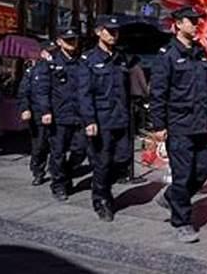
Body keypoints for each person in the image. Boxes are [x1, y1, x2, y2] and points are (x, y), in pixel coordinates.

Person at [151, 6, 207, 243]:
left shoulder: (199, 52)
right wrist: (159, 125)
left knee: (203, 170)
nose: (195, 24)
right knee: (182, 174)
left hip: (200, 123)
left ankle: (171, 197)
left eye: (196, 21)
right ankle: (182, 221)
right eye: (191, 21)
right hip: (178, 124)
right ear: (178, 24)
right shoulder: (166, 55)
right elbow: (158, 93)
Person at [78, 15, 130, 222]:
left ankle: (103, 187)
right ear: (99, 32)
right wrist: (89, 120)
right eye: (109, 31)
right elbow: (84, 93)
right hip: (101, 119)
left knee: (122, 159)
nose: (113, 35)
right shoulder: (88, 60)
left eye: (116, 31)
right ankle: (101, 198)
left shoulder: (121, 58)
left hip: (121, 118)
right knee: (102, 161)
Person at [37, 28, 87, 201]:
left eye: (74, 40)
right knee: (58, 153)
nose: (72, 43)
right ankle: (58, 184)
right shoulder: (51, 62)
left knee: (80, 150)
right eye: (68, 40)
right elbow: (42, 89)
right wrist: (45, 111)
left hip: (79, 115)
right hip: (59, 115)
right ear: (59, 42)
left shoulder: (82, 62)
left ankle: (65, 173)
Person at [18, 40, 56, 186]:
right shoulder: (33, 71)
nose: (51, 55)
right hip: (38, 113)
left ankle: (56, 171)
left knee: (57, 146)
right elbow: (23, 92)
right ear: (43, 53)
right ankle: (38, 171)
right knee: (39, 145)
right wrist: (25, 108)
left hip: (57, 112)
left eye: (54, 52)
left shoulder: (58, 69)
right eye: (49, 52)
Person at [129, 55, 149, 134]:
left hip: (131, 93)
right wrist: (147, 93)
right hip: (139, 93)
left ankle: (135, 129)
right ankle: (141, 127)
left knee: (133, 113)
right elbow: (142, 82)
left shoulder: (130, 69)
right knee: (141, 112)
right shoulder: (138, 70)